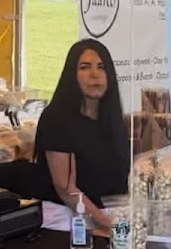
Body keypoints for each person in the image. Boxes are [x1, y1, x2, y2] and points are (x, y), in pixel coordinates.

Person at [33, 38, 129, 231]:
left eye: (101, 67)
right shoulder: (57, 119)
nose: (95, 74)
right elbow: (66, 189)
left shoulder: (111, 120)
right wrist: (108, 226)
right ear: (72, 75)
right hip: (67, 222)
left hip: (107, 218)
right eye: (85, 67)